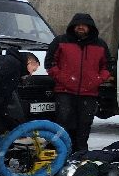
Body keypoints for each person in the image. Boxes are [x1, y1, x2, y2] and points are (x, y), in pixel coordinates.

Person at [45, 12, 113, 154]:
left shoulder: (100, 45)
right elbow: (50, 63)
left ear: (90, 27)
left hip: (89, 93)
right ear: (73, 26)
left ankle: (81, 152)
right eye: (78, 25)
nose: (80, 27)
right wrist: (62, 78)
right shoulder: (60, 41)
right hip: (64, 91)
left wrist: (98, 80)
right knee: (62, 122)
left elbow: (107, 66)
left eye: (84, 25)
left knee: (85, 124)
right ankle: (60, 150)